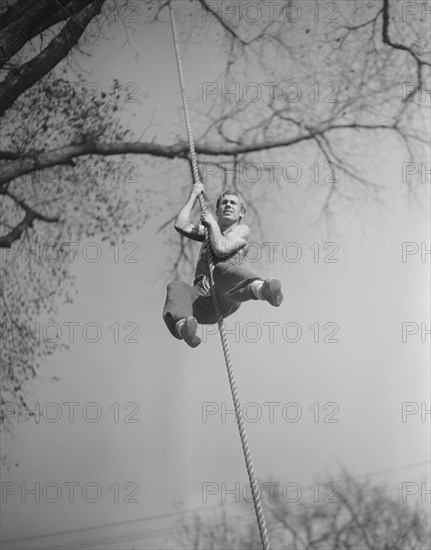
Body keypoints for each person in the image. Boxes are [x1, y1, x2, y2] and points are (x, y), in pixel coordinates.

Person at [163, 182, 283, 347]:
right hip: (202, 300)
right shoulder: (209, 233)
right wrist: (193, 195)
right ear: (217, 211)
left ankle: (263, 290)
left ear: (241, 212)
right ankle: (184, 327)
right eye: (224, 203)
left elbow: (221, 249)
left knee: (220, 270)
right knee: (176, 287)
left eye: (233, 203)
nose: (228, 205)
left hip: (226, 293)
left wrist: (212, 224)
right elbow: (181, 225)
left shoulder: (241, 231)